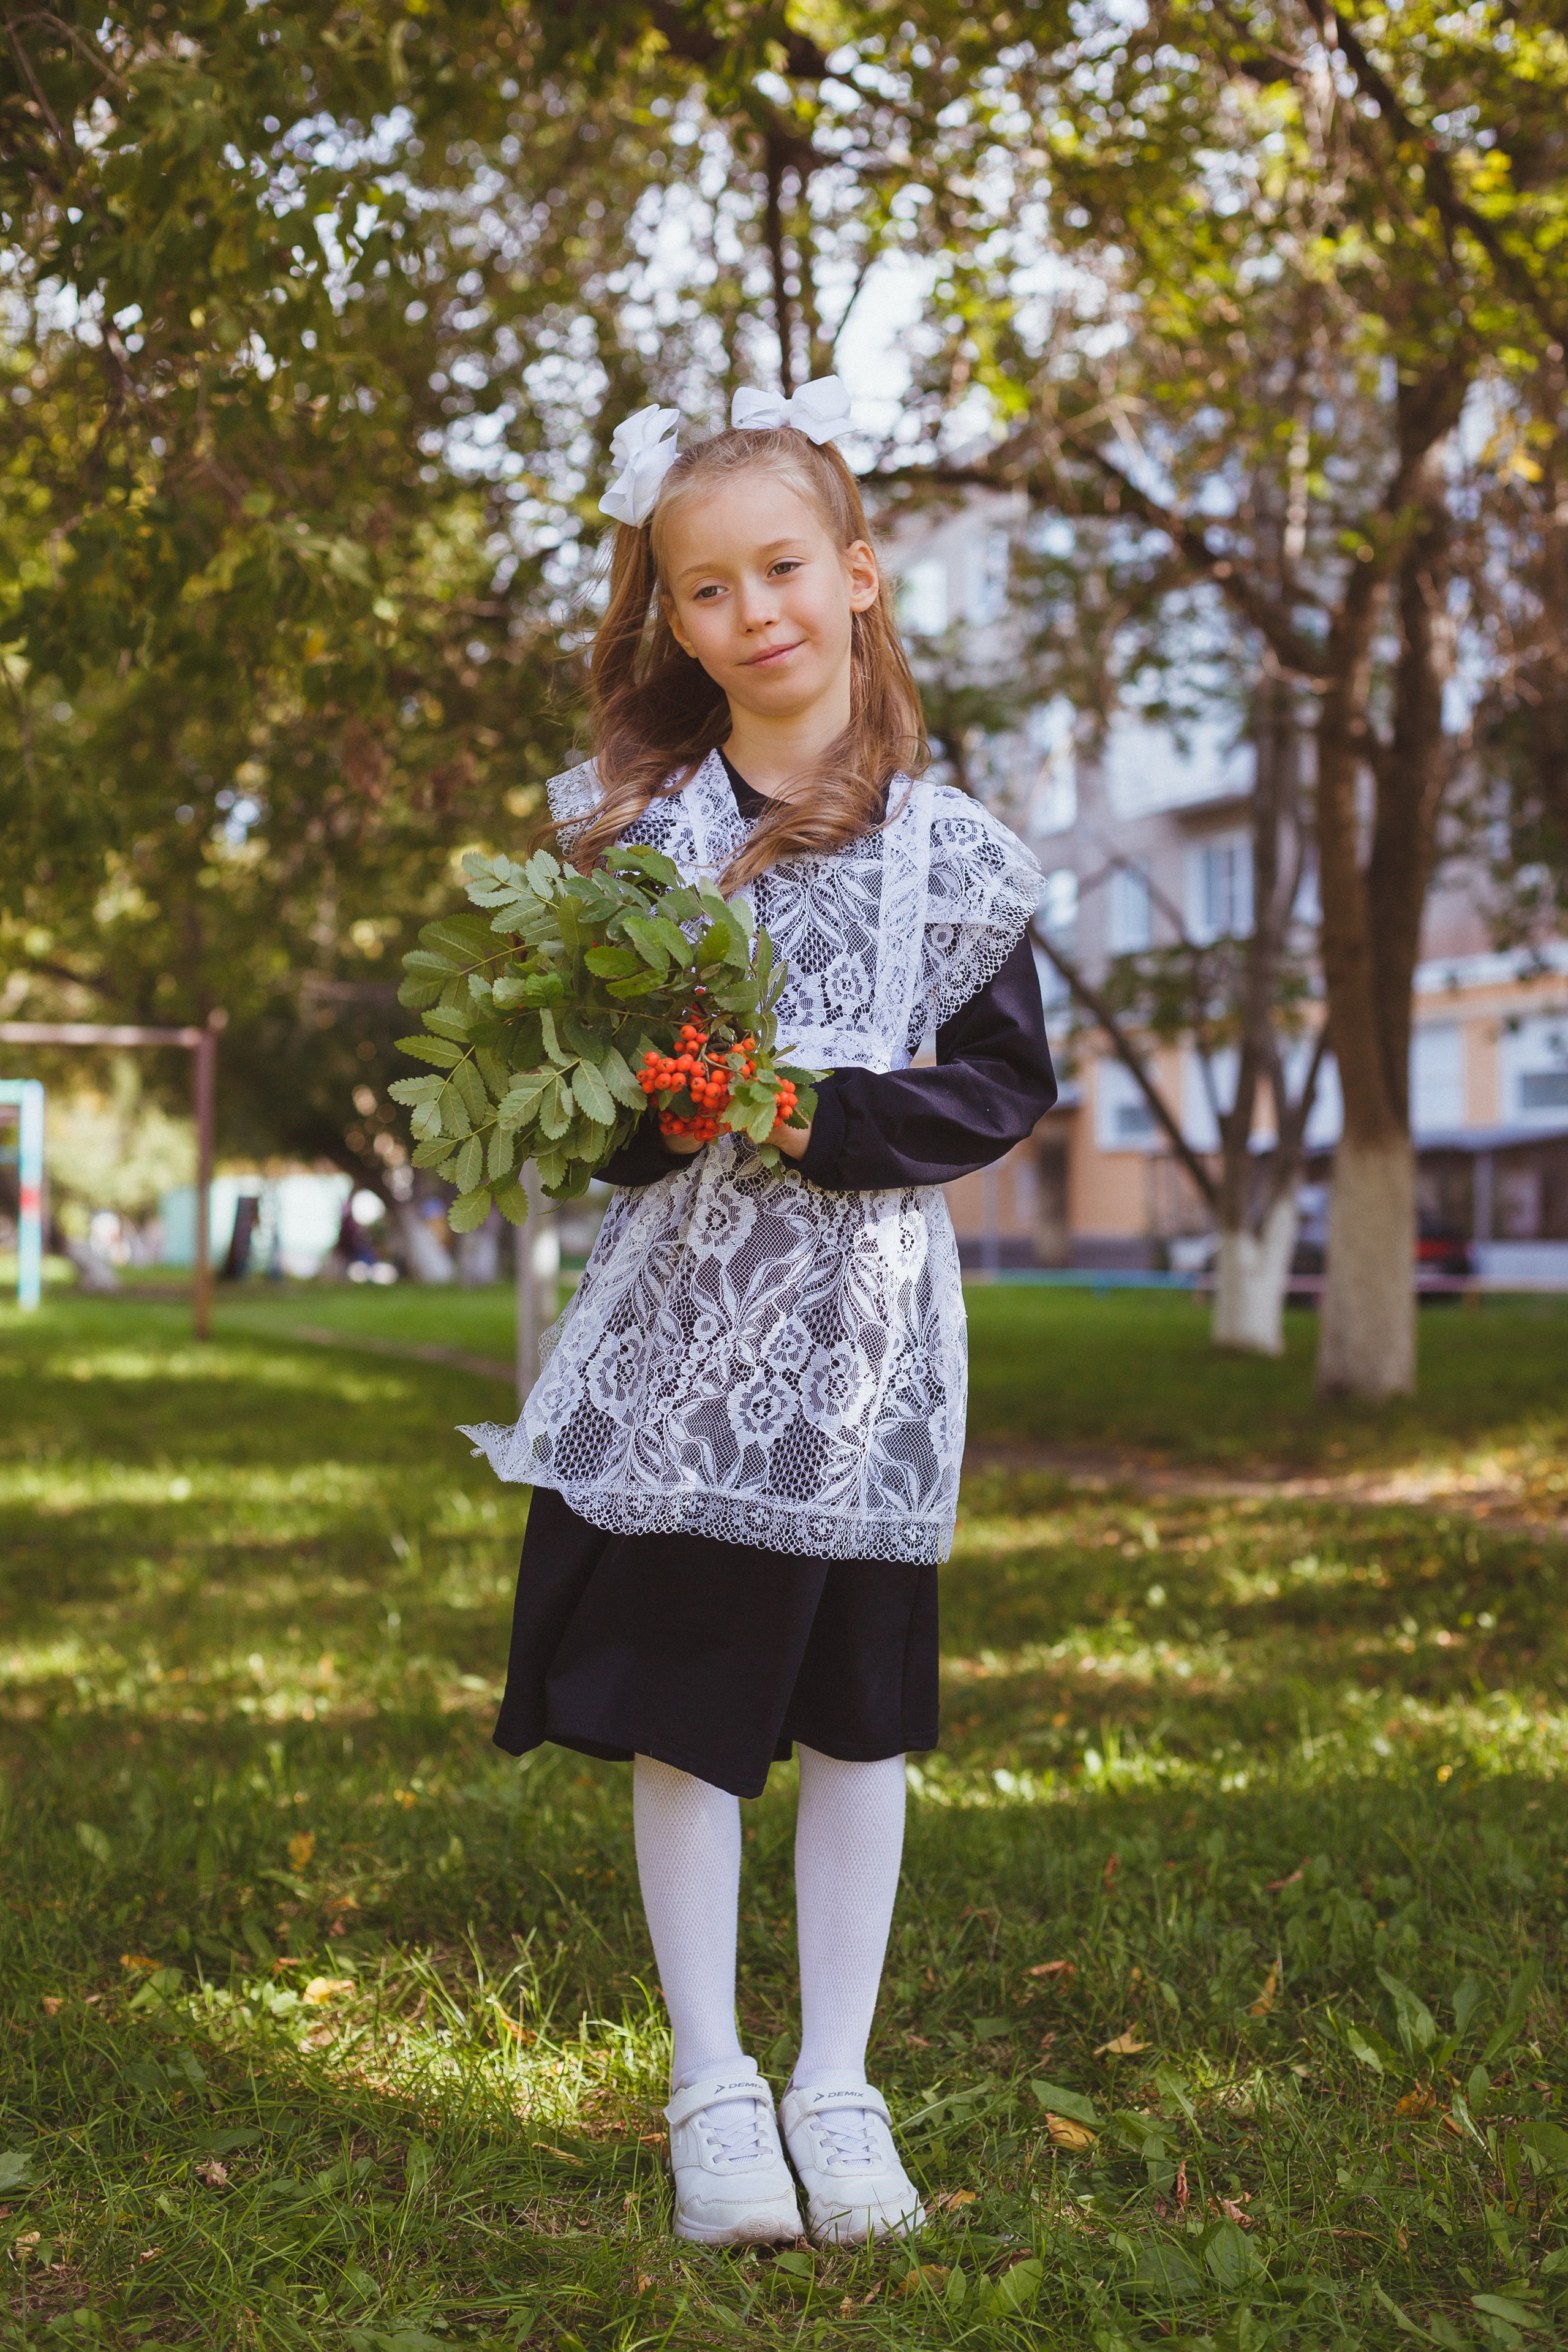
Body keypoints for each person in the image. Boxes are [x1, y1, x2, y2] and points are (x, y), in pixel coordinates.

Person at [459, 376, 1057, 2248]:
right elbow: (594, 1107)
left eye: (782, 570)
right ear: (674, 614)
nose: (750, 616)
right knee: (692, 1718)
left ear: (860, 577)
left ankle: (839, 2080)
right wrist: (672, 1102)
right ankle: (713, 2082)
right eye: (703, 591)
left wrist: (825, 1114)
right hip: (689, 1353)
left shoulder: (951, 852)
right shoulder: (631, 839)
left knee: (861, 1727)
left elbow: (1003, 1082)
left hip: (870, 1355)